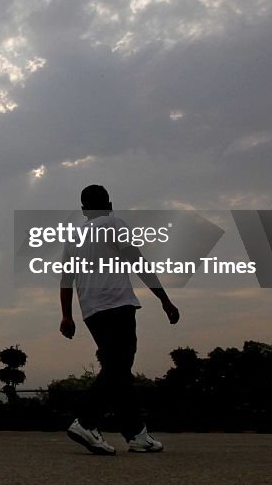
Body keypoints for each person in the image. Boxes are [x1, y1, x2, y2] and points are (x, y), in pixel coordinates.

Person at [59, 184, 179, 455]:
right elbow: (137, 261)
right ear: (109, 204)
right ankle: (86, 421)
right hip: (117, 304)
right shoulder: (114, 224)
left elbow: (67, 280)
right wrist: (164, 299)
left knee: (118, 370)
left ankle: (137, 434)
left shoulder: (73, 237)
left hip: (91, 311)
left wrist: (67, 315)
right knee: (118, 367)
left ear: (83, 210)